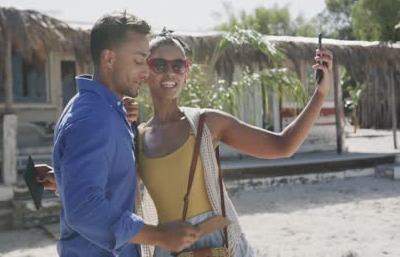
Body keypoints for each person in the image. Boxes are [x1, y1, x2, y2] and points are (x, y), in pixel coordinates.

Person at [134, 29, 333, 256]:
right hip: (167, 249)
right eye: (159, 65)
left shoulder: (206, 123)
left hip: (216, 246)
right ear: (145, 71)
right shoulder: (137, 138)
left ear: (186, 73)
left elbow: (283, 146)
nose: (170, 73)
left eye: (178, 65)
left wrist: (320, 94)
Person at [51, 13, 200, 257]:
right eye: (139, 61)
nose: (146, 72)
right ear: (109, 59)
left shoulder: (102, 109)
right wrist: (160, 235)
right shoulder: (94, 119)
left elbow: (104, 178)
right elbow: (85, 207)